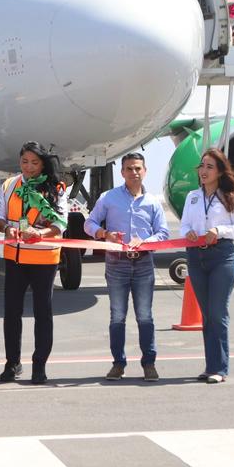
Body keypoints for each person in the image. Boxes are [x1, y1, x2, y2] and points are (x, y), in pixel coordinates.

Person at [84, 152, 170, 382]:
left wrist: (145, 242)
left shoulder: (152, 202)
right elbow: (88, 223)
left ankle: (149, 363)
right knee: (117, 317)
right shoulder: (108, 198)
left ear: (145, 171)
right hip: (116, 264)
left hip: (143, 263)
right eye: (129, 168)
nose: (134, 172)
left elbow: (163, 233)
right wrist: (103, 234)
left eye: (138, 168)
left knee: (145, 317)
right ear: (122, 172)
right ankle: (118, 364)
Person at [0, 141, 68, 385]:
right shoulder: (8, 185)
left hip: (43, 257)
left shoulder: (56, 188)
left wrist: (40, 235)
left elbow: (60, 225)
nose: (29, 167)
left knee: (43, 313)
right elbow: (0, 218)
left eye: (34, 163)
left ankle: (40, 364)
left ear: (43, 164)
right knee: (11, 313)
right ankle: (12, 363)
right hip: (15, 256)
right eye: (24, 162)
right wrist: (7, 229)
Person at [179, 148, 234, 384]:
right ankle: (210, 367)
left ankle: (220, 368)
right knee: (207, 315)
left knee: (218, 313)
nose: (204, 171)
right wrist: (187, 232)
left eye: (210, 167)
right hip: (196, 257)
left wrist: (219, 231)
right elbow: (183, 224)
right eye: (202, 166)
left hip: (222, 257)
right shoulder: (192, 197)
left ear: (220, 171)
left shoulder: (230, 197)